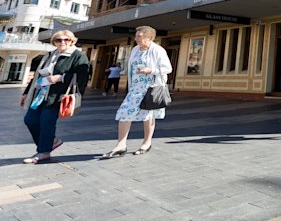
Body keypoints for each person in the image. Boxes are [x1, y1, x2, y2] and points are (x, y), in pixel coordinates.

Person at [100, 26, 172, 159]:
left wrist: (150, 70)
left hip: (150, 87)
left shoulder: (157, 50)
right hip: (135, 88)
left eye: (139, 36)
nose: (136, 38)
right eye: (136, 36)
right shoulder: (135, 50)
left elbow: (168, 68)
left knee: (149, 115)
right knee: (124, 113)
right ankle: (121, 145)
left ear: (149, 37)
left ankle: (146, 142)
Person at [19, 30, 89, 164]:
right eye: (58, 40)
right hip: (40, 94)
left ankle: (43, 152)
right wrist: (26, 93)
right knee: (30, 120)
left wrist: (60, 77)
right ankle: (51, 141)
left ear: (72, 41)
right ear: (54, 42)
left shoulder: (78, 56)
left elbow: (83, 76)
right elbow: (37, 76)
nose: (62, 42)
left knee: (47, 122)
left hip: (57, 96)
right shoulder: (50, 55)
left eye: (66, 40)